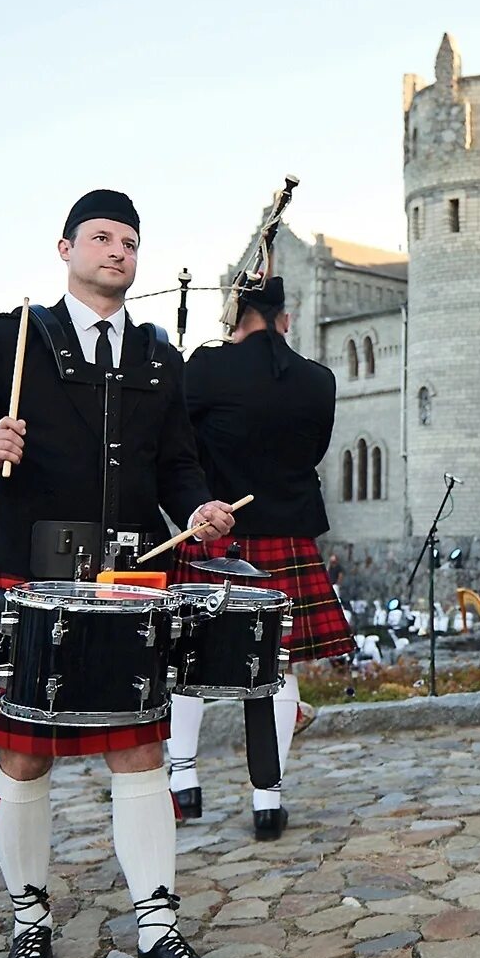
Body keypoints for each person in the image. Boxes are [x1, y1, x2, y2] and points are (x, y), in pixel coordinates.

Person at [0, 189, 239, 958]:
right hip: (27, 581)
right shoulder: (13, 337)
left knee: (142, 753)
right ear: (66, 248)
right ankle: (29, 924)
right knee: (22, 756)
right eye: (101, 237)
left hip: (125, 585)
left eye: (130, 240)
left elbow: (177, 466)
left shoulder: (160, 356)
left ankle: (157, 936)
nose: (118, 251)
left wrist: (196, 509)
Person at [164, 275, 346, 839]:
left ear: (234, 318)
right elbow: (314, 450)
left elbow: (178, 445)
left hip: (215, 528)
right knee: (278, 663)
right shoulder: (319, 380)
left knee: (185, 658)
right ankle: (268, 799)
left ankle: (183, 783)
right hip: (287, 536)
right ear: (285, 319)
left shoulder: (207, 367)